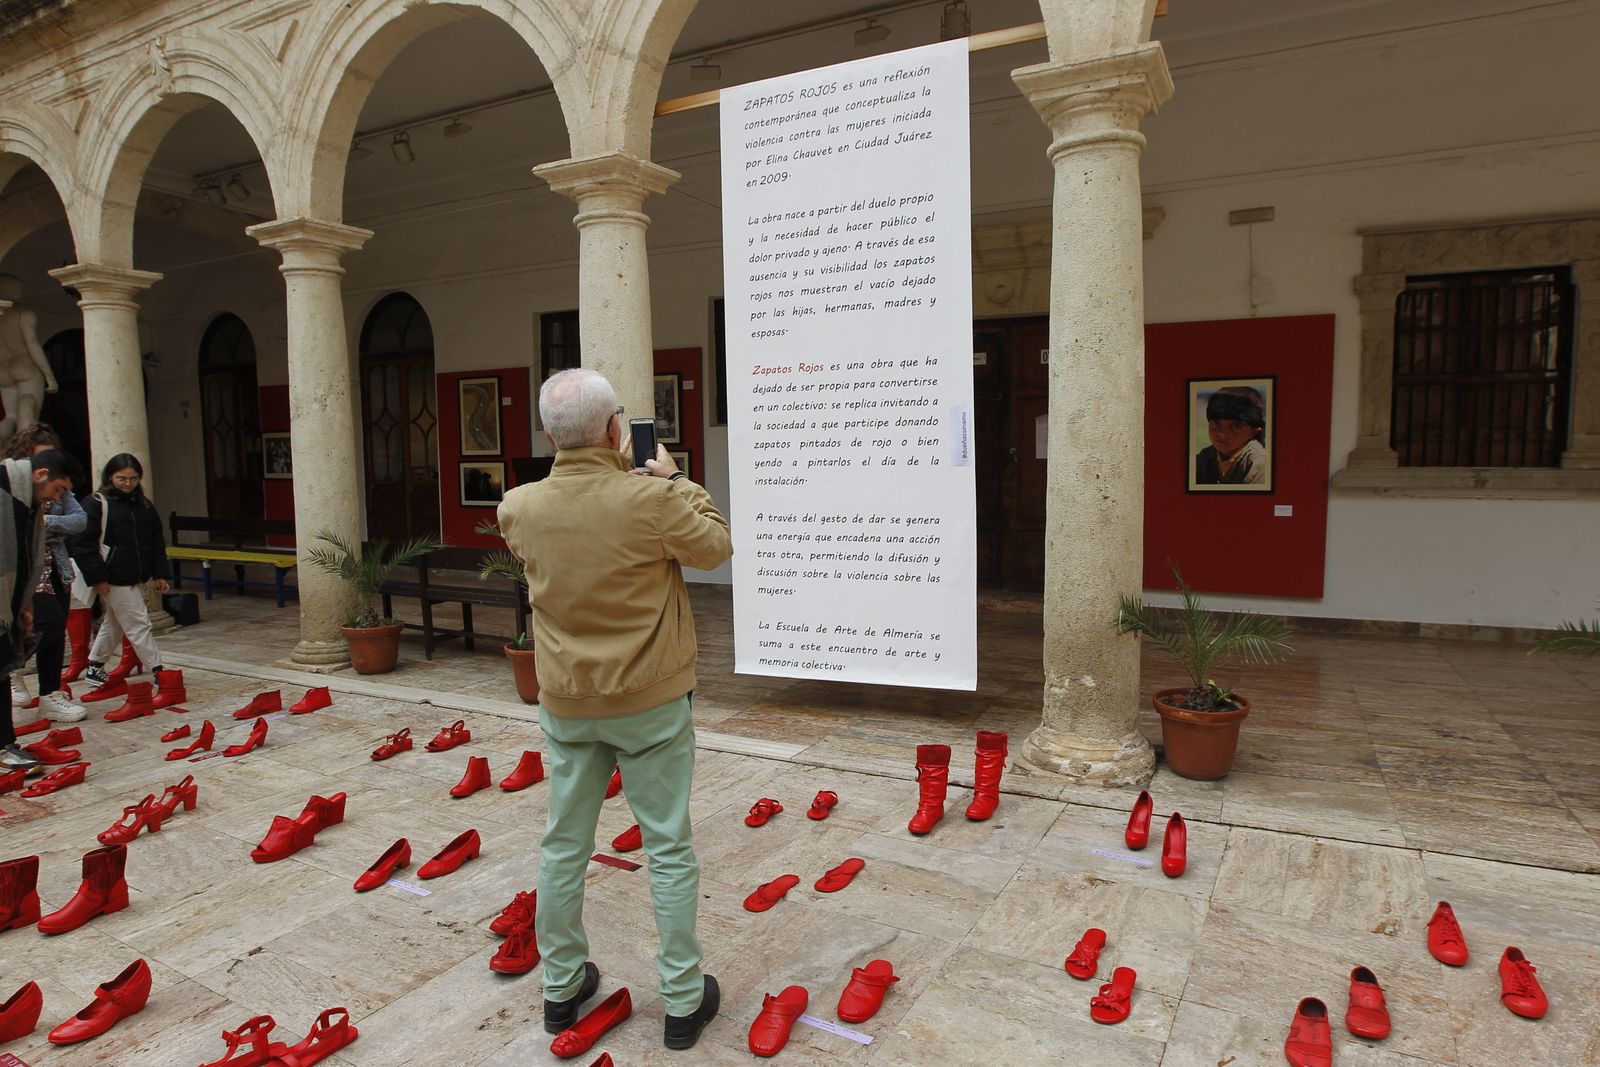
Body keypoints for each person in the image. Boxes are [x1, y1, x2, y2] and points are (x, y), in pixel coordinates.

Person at [496, 368, 732, 1051]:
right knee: (668, 847)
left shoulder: (517, 507)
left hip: (569, 701)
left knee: (563, 844)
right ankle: (682, 1001)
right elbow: (715, 547)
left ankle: (561, 987)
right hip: (650, 699)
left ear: (549, 436)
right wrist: (677, 478)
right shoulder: (650, 499)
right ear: (613, 430)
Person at [0, 448, 77, 773]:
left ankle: (5, 745)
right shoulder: (5, 493)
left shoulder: (24, 500)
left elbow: (21, 558)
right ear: (40, 475)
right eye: (57, 489)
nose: (56, 497)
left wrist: (23, 603)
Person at [4, 423, 87, 723]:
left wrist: (46, 523)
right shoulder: (12, 488)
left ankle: (49, 692)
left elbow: (78, 520)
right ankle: (12, 672)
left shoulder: (55, 489)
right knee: (41, 623)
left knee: (54, 626)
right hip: (20, 571)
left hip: (53, 565)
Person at [68, 453, 170, 691]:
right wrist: (98, 578)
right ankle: (159, 671)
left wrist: (160, 573)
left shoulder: (144, 505)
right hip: (112, 575)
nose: (128, 484)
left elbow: (155, 540)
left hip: (133, 575)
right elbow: (83, 544)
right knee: (138, 623)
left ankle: (94, 666)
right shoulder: (96, 503)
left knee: (114, 623)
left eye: (133, 479)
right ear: (110, 477)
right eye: (121, 478)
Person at [0, 274, 60, 443]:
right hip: (23, 364)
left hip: (3, 368)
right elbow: (32, 345)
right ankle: (24, 450)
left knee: (10, 416)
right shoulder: (24, 314)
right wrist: (49, 376)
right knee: (28, 403)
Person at [1194, 385, 1269, 486]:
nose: (1222, 433)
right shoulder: (1205, 457)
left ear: (1254, 432)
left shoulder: (1260, 463)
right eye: (1216, 423)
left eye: (1236, 426)